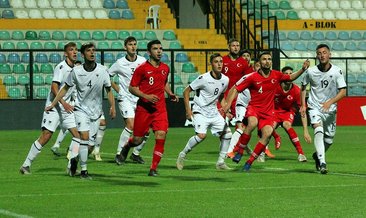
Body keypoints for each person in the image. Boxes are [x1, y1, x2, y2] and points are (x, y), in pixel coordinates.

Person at [223, 52, 310, 171]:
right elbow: (236, 89)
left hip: (268, 113)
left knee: (267, 133)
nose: (267, 61)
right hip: (254, 108)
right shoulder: (252, 77)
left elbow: (291, 77)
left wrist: (303, 69)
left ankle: (249, 162)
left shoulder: (276, 75)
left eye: (269, 59)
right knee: (252, 123)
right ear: (259, 62)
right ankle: (240, 151)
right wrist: (228, 104)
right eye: (264, 59)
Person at [45, 42, 116, 179]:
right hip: (81, 110)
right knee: (83, 137)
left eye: (93, 50)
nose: (92, 53)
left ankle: (75, 160)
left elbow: (109, 90)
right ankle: (84, 171)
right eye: (89, 51)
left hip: (96, 112)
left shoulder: (102, 70)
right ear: (83, 55)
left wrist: (113, 106)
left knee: (90, 146)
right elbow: (64, 89)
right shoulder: (76, 72)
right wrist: (53, 104)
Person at [117, 39, 179, 176]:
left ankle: (153, 168)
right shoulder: (142, 69)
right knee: (137, 139)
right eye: (155, 49)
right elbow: (132, 88)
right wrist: (146, 96)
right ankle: (127, 146)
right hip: (144, 109)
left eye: (160, 48)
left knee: (161, 134)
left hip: (160, 109)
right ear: (149, 52)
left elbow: (164, 83)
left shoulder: (165, 68)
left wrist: (170, 93)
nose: (159, 51)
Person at [20, 42, 80, 175]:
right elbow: (54, 88)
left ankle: (71, 166)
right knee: (46, 136)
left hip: (67, 108)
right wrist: (63, 103)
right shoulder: (61, 67)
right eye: (71, 50)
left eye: (76, 50)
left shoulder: (76, 70)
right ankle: (26, 165)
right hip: (55, 107)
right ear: (66, 53)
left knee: (78, 136)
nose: (75, 52)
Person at [176, 53, 232, 171]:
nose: (219, 64)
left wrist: (226, 109)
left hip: (214, 112)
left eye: (221, 62)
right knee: (202, 135)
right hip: (200, 110)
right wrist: (188, 111)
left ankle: (221, 162)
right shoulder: (203, 78)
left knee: (227, 134)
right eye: (216, 62)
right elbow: (186, 91)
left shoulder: (225, 80)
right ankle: (182, 154)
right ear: (211, 64)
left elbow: (221, 96)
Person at [300, 44, 347, 174]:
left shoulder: (337, 71)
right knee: (318, 129)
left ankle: (317, 155)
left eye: (324, 52)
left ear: (329, 54)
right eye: (319, 53)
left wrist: (330, 102)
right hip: (315, 107)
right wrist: (303, 105)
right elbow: (303, 87)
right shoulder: (310, 71)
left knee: (329, 140)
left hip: (330, 110)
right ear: (317, 56)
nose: (322, 55)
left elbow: (343, 91)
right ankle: (322, 163)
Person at [110, 36, 148, 165]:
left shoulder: (143, 61)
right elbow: (107, 76)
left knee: (146, 129)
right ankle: (119, 153)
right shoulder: (119, 63)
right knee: (130, 126)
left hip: (139, 98)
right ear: (125, 47)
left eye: (134, 44)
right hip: (125, 98)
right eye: (130, 44)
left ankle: (135, 154)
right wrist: (118, 89)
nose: (133, 47)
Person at [271, 66, 311, 162]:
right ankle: (263, 151)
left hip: (287, 112)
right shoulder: (274, 87)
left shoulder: (296, 91)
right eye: (287, 74)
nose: (289, 76)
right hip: (274, 111)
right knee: (268, 128)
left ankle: (301, 154)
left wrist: (305, 130)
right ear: (282, 76)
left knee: (287, 125)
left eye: (291, 73)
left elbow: (303, 110)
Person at [50, 60, 82, 157]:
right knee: (78, 134)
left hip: (71, 105)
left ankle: (59, 146)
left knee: (69, 130)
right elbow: (59, 89)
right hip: (69, 106)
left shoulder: (79, 79)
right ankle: (71, 152)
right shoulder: (68, 75)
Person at [220, 39, 251, 122]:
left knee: (239, 120)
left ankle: (238, 134)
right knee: (221, 119)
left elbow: (247, 79)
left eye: (237, 46)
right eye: (233, 46)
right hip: (224, 94)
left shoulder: (243, 62)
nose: (236, 48)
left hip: (237, 95)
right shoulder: (222, 60)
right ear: (228, 47)